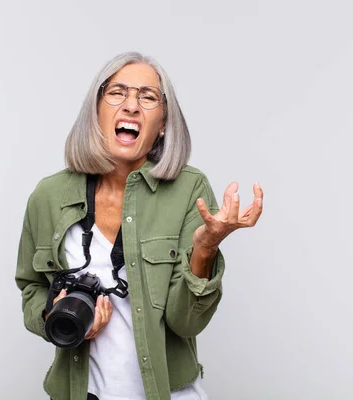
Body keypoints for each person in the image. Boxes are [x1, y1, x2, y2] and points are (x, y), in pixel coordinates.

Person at [15, 52, 264, 400]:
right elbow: (30, 287)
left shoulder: (189, 191)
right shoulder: (49, 196)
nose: (131, 105)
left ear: (162, 123)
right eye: (117, 92)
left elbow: (187, 323)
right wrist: (54, 312)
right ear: (96, 112)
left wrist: (206, 248)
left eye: (147, 97)